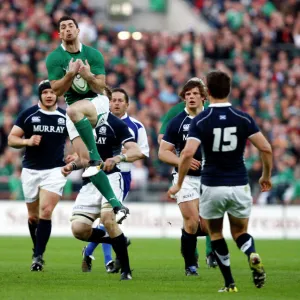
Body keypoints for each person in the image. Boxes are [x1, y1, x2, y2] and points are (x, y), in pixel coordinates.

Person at [168, 70, 272, 292]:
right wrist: (265, 175)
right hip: (239, 183)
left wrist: (178, 183)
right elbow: (265, 148)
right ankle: (251, 252)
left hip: (212, 184)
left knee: (214, 233)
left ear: (208, 93)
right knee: (240, 233)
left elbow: (187, 154)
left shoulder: (202, 120)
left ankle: (230, 283)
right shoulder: (243, 117)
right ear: (229, 90)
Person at [45, 15, 127, 220]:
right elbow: (56, 92)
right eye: (63, 27)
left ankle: (96, 156)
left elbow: (102, 87)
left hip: (96, 104)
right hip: (76, 111)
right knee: (87, 163)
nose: (67, 29)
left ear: (78, 30)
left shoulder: (93, 54)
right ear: (59, 34)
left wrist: (88, 75)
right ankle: (117, 206)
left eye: (71, 26)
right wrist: (71, 74)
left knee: (72, 112)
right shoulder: (55, 58)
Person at [62, 94, 143, 280]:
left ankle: (126, 271)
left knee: (108, 219)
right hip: (90, 181)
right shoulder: (78, 121)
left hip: (112, 178)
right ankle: (119, 241)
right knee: (79, 229)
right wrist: (72, 165)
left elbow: (135, 150)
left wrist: (117, 158)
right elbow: (84, 158)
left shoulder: (116, 124)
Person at [84, 87, 150, 273]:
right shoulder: (96, 122)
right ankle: (107, 257)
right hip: (97, 174)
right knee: (107, 219)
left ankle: (98, 255)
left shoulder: (136, 126)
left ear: (127, 104)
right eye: (113, 100)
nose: (116, 103)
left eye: (121, 100)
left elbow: (143, 152)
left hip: (122, 175)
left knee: (108, 218)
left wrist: (123, 156)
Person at [8, 80, 69, 271]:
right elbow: (12, 139)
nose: (49, 95)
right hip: (31, 170)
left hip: (54, 171)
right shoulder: (28, 114)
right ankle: (38, 248)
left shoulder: (65, 117)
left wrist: (75, 153)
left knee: (46, 211)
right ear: (40, 95)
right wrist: (27, 141)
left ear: (57, 94)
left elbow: (76, 139)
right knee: (33, 217)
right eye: (45, 92)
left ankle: (38, 256)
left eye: (52, 92)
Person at [158, 78, 217, 269]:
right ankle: (190, 266)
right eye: (188, 95)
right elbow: (163, 152)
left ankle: (187, 241)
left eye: (195, 94)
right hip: (186, 179)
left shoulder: (213, 118)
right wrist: (182, 161)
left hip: (210, 178)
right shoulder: (177, 122)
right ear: (184, 98)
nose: (191, 97)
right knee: (192, 222)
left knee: (207, 227)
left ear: (203, 98)